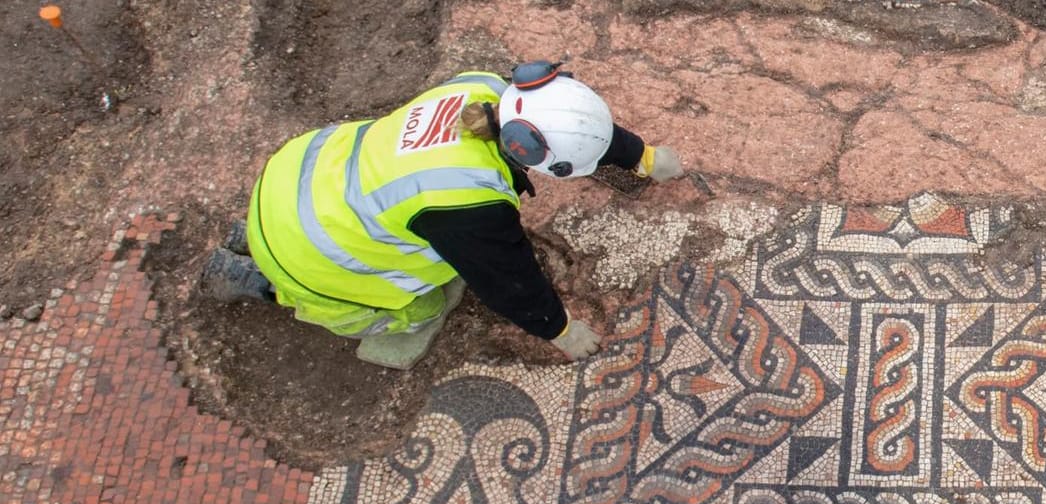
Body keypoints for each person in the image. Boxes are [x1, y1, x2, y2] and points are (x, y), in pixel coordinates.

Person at [199, 62, 686, 369]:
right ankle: (260, 282)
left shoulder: (482, 88)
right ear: (532, 157)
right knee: (425, 308)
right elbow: (509, 281)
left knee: (371, 217)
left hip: (297, 176)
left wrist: (643, 156)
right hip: (309, 252)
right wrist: (558, 329)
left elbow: (572, 125)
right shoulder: (467, 204)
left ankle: (254, 232)